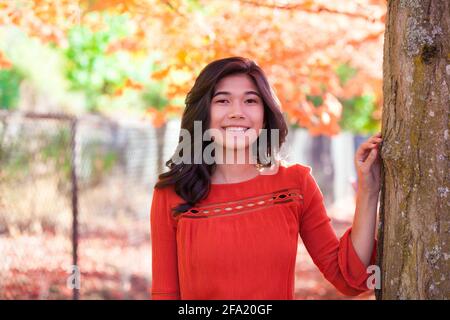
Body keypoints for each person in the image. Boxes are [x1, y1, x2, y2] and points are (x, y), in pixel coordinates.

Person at [150, 56, 382, 300]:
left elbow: (348, 280)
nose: (237, 112)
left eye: (250, 100)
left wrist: (369, 190)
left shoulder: (296, 183)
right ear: (204, 113)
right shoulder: (171, 194)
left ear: (265, 113)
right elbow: (165, 294)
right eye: (223, 100)